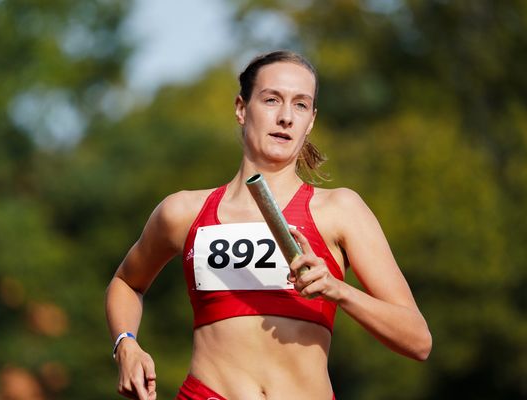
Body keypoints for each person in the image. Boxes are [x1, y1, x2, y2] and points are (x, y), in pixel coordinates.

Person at [105, 50, 432, 400]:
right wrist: (126, 344)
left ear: (311, 121)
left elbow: (418, 341)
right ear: (241, 109)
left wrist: (339, 290)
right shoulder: (183, 211)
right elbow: (127, 282)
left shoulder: (340, 209)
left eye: (301, 105)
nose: (286, 117)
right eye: (272, 99)